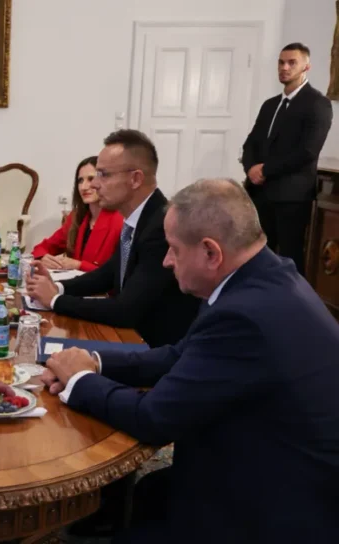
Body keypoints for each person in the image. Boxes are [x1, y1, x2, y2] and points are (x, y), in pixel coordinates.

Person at [42, 178, 339, 544]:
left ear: (211, 252)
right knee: (148, 494)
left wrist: (79, 381)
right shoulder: (264, 275)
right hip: (268, 459)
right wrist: (93, 362)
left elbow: (153, 418)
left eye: (174, 249)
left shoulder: (244, 315)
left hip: (278, 505)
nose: (167, 261)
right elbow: (180, 354)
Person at [26, 130, 200, 347]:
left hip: (152, 347)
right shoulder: (138, 218)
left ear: (135, 179)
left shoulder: (161, 227)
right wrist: (57, 286)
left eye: (103, 175)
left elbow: (126, 310)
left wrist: (55, 300)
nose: (94, 184)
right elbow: (108, 274)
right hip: (131, 338)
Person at [242, 42, 333, 275]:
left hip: (291, 196)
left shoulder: (318, 104)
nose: (284, 67)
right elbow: (251, 142)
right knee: (256, 255)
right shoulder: (270, 105)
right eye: (281, 62)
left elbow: (307, 151)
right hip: (260, 192)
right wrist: (251, 168)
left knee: (289, 258)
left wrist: (265, 170)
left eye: (292, 63)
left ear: (306, 67)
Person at [32, 156, 123, 271]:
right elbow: (42, 248)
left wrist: (79, 265)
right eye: (80, 181)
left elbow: (118, 273)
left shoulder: (120, 220)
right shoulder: (76, 216)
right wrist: (43, 257)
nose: (84, 187)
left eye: (91, 179)